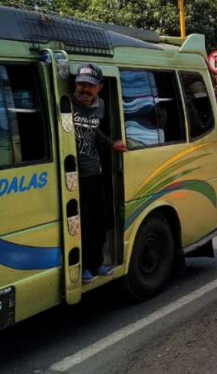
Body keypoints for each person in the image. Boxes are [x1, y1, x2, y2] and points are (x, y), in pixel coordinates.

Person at [73, 63, 128, 284]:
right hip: (73, 176)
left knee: (99, 220)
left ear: (100, 88)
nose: (85, 90)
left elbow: (96, 133)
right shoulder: (67, 104)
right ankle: (84, 266)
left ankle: (96, 263)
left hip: (93, 172)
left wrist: (111, 144)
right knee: (83, 223)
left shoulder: (101, 106)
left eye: (90, 86)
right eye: (81, 85)